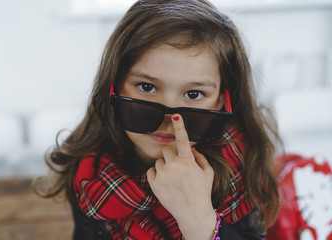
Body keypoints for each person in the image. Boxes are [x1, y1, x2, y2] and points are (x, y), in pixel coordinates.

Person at [33, 0, 281, 239]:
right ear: (114, 84)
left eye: (193, 94)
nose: (169, 119)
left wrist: (200, 222)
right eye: (147, 87)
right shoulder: (91, 174)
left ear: (223, 99)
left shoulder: (242, 165)